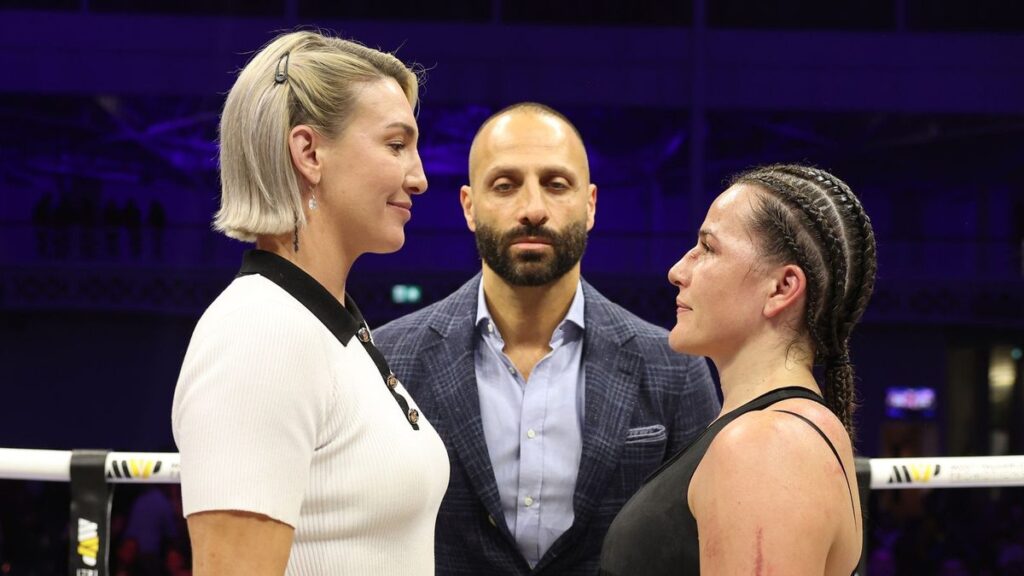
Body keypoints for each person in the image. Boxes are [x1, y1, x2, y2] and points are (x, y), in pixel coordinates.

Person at [373, 102, 720, 575]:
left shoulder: (673, 366)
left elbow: (700, 547)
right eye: (505, 185)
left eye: (556, 185)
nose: (533, 209)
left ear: (591, 205)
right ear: (469, 207)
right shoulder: (388, 359)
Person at [171, 30, 448, 575]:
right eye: (396, 145)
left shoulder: (320, 324)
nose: (419, 177)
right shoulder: (259, 332)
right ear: (309, 152)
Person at [600, 164, 877, 575]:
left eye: (708, 249)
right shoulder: (780, 432)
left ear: (782, 288)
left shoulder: (767, 445)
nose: (677, 271)